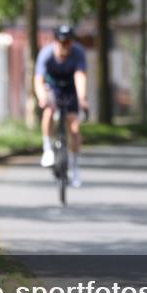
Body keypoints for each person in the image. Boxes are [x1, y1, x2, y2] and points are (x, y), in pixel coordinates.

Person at [34, 25, 89, 187]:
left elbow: (80, 76)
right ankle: (47, 149)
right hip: (52, 88)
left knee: (75, 128)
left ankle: (74, 165)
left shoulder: (78, 52)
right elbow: (38, 79)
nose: (65, 45)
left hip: (70, 89)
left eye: (68, 42)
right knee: (49, 112)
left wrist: (82, 98)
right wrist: (42, 97)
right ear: (56, 41)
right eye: (62, 42)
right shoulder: (46, 54)